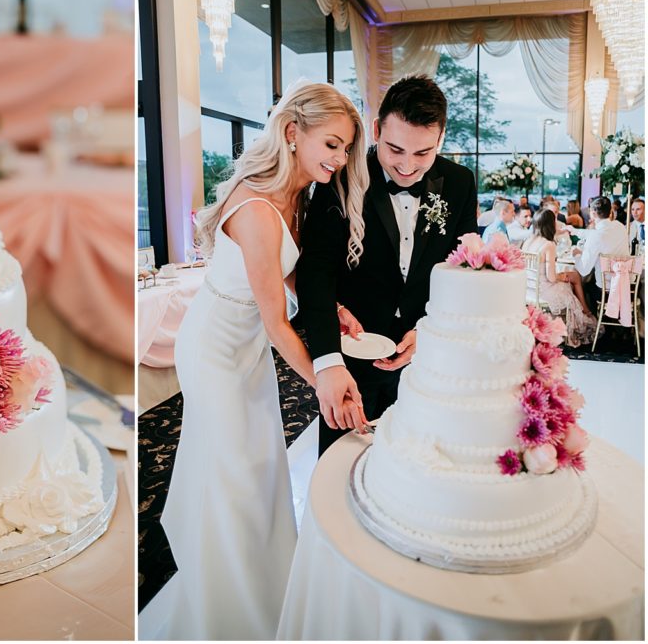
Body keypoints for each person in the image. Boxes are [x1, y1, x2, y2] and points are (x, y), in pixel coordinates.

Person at [156, 81, 368, 640]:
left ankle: (270, 597)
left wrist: (335, 308)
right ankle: (230, 613)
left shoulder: (298, 194)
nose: (340, 159)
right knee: (234, 475)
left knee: (263, 469)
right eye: (331, 144)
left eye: (346, 148)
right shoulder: (255, 205)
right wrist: (324, 376)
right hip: (213, 349)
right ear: (293, 134)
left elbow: (283, 270)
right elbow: (278, 324)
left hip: (245, 347)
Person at [296, 75, 478, 459]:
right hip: (352, 350)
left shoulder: (460, 183)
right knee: (342, 464)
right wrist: (327, 360)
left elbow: (463, 272)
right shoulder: (339, 175)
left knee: (414, 469)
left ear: (441, 139)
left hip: (426, 359)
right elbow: (316, 270)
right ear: (377, 130)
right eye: (395, 149)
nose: (408, 167)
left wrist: (426, 331)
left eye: (423, 153)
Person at [522, 210, 596, 346]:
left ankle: (584, 312)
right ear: (550, 224)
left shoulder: (528, 242)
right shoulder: (548, 245)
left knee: (572, 277)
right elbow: (551, 278)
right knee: (570, 283)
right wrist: (561, 276)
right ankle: (584, 315)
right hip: (545, 291)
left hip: (529, 291)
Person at [573, 195, 630, 309]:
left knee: (583, 284)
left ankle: (596, 320)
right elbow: (599, 234)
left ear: (593, 213)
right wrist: (574, 231)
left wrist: (577, 254)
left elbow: (584, 270)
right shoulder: (620, 227)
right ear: (610, 212)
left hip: (606, 290)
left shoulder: (595, 236)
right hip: (626, 286)